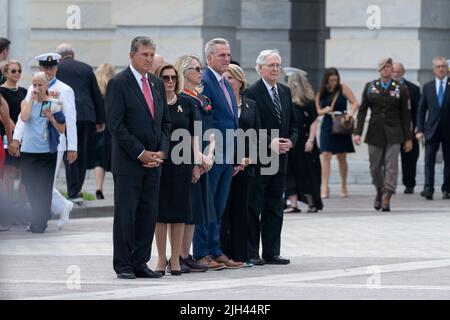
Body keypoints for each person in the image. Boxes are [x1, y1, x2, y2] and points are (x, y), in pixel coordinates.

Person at [106, 36, 171, 279]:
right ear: (132, 56)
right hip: (129, 162)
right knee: (127, 213)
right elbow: (116, 125)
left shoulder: (156, 83)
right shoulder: (118, 83)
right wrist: (141, 153)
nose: (149, 59)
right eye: (144, 54)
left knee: (148, 214)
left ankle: (140, 262)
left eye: (152, 54)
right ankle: (123, 264)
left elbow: (165, 123)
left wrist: (161, 152)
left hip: (155, 162)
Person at [11, 53, 78, 229]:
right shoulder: (31, 90)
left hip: (55, 144)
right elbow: (22, 118)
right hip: (31, 145)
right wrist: (17, 138)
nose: (48, 70)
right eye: (44, 67)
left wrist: (73, 147)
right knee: (34, 183)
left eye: (51, 67)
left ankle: (40, 220)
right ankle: (59, 207)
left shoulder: (65, 90)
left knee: (46, 183)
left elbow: (70, 120)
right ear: (40, 68)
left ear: (56, 68)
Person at [245, 49, 298, 266]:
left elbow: (294, 124)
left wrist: (291, 141)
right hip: (260, 158)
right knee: (254, 206)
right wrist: (269, 142)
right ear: (260, 68)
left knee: (275, 206)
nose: (276, 69)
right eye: (271, 65)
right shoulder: (252, 92)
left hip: (281, 158)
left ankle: (272, 251)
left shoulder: (285, 91)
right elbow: (249, 127)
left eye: (278, 65)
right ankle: (251, 252)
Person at [193, 38, 242, 269]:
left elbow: (232, 120)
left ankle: (215, 249)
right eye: (222, 55)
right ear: (209, 58)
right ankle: (202, 253)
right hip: (212, 154)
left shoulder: (224, 82)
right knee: (207, 204)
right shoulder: (206, 81)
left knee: (219, 205)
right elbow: (206, 119)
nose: (227, 59)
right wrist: (204, 154)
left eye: (228, 54)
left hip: (227, 154)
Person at [175, 54, 221, 272]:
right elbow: (187, 133)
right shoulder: (183, 98)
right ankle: (180, 256)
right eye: (196, 68)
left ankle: (187, 255)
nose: (201, 72)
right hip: (189, 160)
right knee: (187, 211)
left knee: (196, 212)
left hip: (203, 159)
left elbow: (208, 131)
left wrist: (208, 156)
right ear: (185, 72)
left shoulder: (200, 97)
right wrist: (196, 161)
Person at [153, 63, 199, 275]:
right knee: (161, 214)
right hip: (161, 163)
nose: (170, 82)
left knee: (181, 212)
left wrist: (196, 164)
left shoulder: (187, 103)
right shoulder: (154, 102)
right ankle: (161, 258)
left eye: (173, 78)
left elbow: (193, 136)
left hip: (182, 164)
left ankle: (176, 259)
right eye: (165, 78)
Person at [354, 57, 413, 211]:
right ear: (379, 70)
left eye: (389, 67)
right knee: (374, 167)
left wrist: (408, 138)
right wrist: (358, 132)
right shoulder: (371, 86)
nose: (387, 70)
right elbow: (362, 111)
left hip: (395, 132)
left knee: (391, 166)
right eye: (384, 67)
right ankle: (379, 190)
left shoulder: (401, 88)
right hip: (375, 132)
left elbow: (406, 115)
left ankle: (387, 195)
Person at [221, 63, 260, 266]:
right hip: (225, 164)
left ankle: (241, 255)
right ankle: (223, 254)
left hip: (245, 166)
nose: (227, 82)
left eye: (230, 78)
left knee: (241, 211)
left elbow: (257, 135)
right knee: (223, 211)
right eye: (225, 78)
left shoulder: (250, 105)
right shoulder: (220, 103)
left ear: (239, 81)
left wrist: (248, 159)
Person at [56, 43, 105, 202]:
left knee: (68, 151)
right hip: (86, 116)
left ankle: (73, 190)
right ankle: (76, 189)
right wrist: (100, 119)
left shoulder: (57, 68)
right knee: (82, 152)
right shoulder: (86, 68)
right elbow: (96, 94)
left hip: (65, 116)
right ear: (73, 54)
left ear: (60, 56)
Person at [284, 69, 323, 213]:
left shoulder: (308, 102)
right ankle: (293, 204)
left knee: (306, 173)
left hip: (305, 143)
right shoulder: (287, 101)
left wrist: (311, 141)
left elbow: (313, 121)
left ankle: (312, 203)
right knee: (290, 173)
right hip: (291, 142)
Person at [316, 67, 358, 199]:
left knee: (341, 156)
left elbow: (355, 102)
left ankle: (343, 185)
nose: (334, 82)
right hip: (328, 123)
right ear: (326, 80)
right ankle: (324, 187)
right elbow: (317, 110)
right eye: (331, 80)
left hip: (341, 123)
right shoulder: (321, 91)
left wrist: (350, 113)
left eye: (336, 79)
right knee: (325, 155)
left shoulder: (343, 88)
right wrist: (325, 110)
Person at [416, 57, 450, 200]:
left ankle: (447, 189)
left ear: (447, 69)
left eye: (443, 66)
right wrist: (419, 129)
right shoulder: (428, 86)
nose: (441, 69)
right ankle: (428, 188)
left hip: (448, 129)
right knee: (429, 158)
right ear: (433, 70)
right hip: (432, 129)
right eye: (438, 66)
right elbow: (421, 110)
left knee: (448, 160)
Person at [0, 60, 28, 221]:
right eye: (13, 71)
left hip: (24, 136)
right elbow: (6, 117)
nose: (17, 73)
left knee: (25, 173)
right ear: (5, 73)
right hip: (8, 135)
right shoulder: (1, 91)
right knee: (9, 172)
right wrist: (15, 137)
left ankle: (22, 211)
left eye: (19, 70)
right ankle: (8, 210)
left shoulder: (25, 91)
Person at [392, 62, 421, 194]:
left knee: (410, 158)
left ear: (403, 72)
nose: (396, 74)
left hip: (409, 129)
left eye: (398, 71)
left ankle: (409, 184)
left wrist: (418, 127)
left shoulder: (413, 89)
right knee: (389, 158)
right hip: (391, 129)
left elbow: (418, 111)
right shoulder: (384, 88)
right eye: (393, 71)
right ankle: (389, 185)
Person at [93, 63, 115, 199]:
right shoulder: (114, 87)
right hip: (111, 129)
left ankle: (99, 187)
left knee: (98, 161)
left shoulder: (95, 88)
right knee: (114, 160)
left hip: (98, 128)